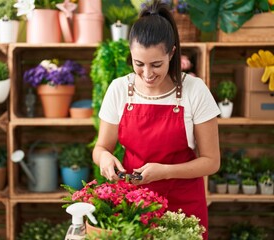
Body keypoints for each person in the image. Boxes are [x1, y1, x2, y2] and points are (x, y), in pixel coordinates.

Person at [92, 1, 221, 239]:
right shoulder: (119, 89)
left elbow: (211, 162)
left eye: (156, 64)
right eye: (139, 64)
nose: (147, 74)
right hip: (133, 206)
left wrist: (165, 172)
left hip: (183, 206)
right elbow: (101, 148)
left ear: (172, 53)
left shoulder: (194, 90)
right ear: (130, 53)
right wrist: (105, 159)